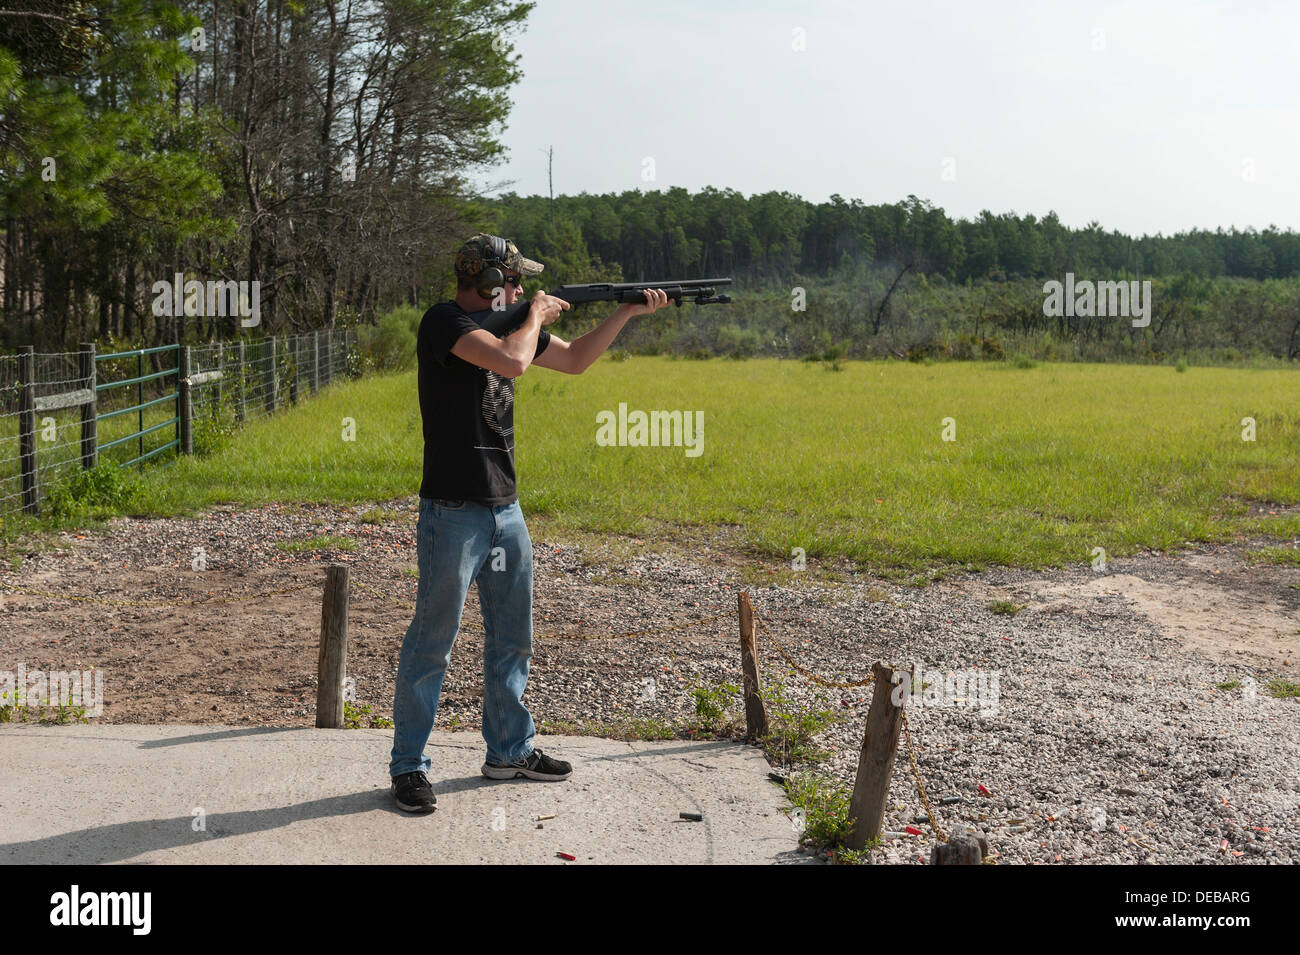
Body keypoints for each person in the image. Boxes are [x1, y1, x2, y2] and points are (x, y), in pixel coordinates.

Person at [389, 233, 671, 813]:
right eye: (512, 281)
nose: (519, 290)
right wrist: (537, 311)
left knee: (514, 638)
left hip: (505, 507)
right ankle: (410, 767)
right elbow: (513, 362)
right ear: (489, 283)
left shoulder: (509, 323)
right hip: (453, 511)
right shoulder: (444, 323)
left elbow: (575, 361)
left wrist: (625, 310)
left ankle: (509, 751)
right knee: (432, 643)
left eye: (521, 285)